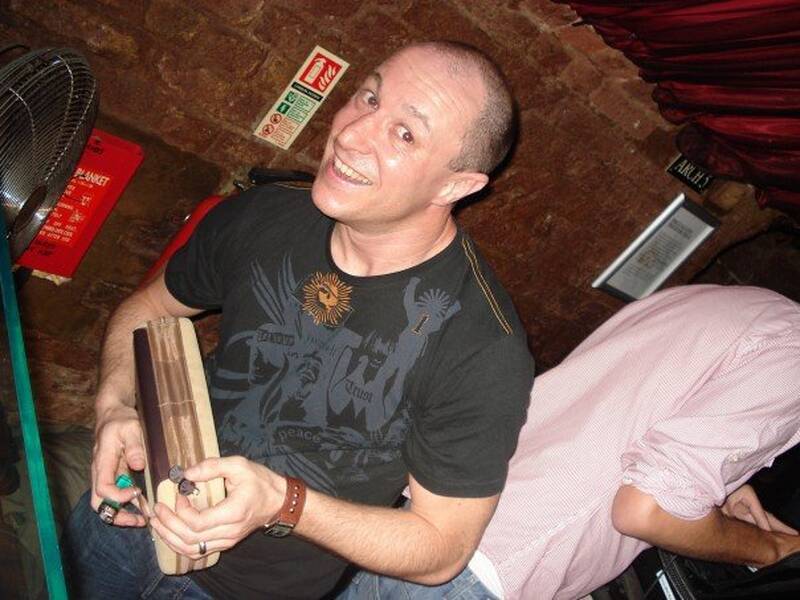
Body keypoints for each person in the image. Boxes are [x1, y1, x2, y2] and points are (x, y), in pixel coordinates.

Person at [63, 41, 535, 599]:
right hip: (129, 511)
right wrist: (115, 406)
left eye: (405, 134)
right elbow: (150, 308)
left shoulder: (482, 346)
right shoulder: (265, 214)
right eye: (369, 98)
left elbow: (440, 548)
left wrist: (282, 503)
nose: (351, 134)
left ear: (456, 185)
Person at [340, 284, 800, 600]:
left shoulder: (753, 305)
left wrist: (726, 484)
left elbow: (632, 406)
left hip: (442, 520)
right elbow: (646, 510)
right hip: (493, 572)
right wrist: (773, 551)